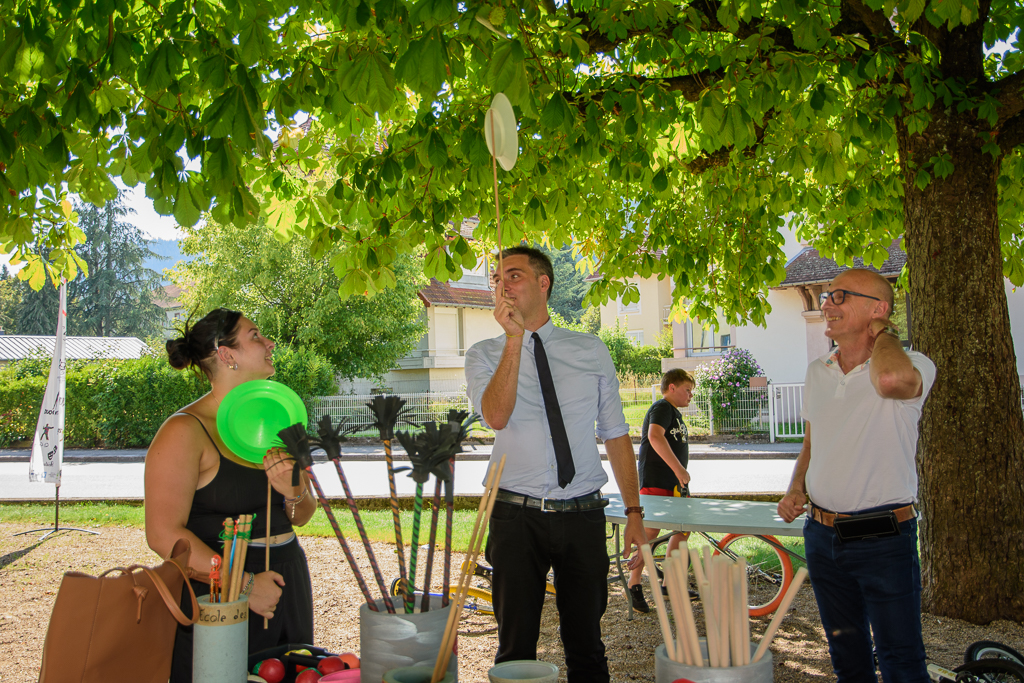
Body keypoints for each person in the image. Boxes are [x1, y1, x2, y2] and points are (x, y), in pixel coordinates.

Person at [465, 246, 646, 683]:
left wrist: (636, 512)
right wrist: (514, 340)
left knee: (586, 644)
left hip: (583, 514)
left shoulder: (589, 348)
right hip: (514, 517)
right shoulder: (484, 354)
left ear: (543, 283)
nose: (501, 285)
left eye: (514, 276)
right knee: (514, 648)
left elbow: (617, 432)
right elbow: (495, 417)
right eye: (496, 278)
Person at [777, 269, 936, 683]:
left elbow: (890, 380)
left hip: (883, 538)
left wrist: (884, 335)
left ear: (878, 309)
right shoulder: (818, 370)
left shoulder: (914, 364)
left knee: (900, 660)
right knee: (847, 658)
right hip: (822, 535)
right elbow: (812, 444)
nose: (826, 304)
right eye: (827, 296)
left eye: (839, 296)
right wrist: (796, 488)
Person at [145, 308, 318, 682]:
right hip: (219, 595)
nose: (269, 343)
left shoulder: (283, 417)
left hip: (288, 578)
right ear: (226, 354)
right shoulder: (184, 431)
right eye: (256, 335)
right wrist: (245, 585)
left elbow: (305, 512)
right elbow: (162, 535)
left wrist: (294, 491)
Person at [626, 368, 696, 613]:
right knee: (650, 533)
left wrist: (679, 478)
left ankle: (668, 584)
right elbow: (654, 437)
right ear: (672, 387)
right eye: (688, 390)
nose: (690, 396)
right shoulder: (662, 407)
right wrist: (679, 470)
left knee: (683, 528)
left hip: (674, 485)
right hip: (656, 481)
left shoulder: (674, 412)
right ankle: (634, 584)